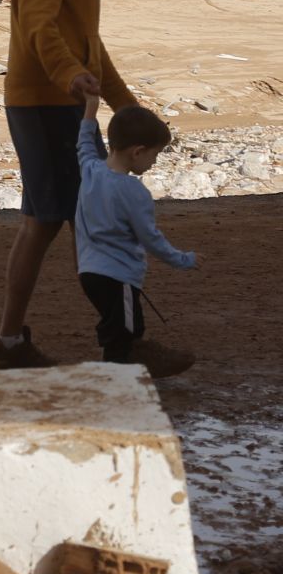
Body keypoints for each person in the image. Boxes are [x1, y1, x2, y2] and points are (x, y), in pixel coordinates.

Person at [0, 0, 151, 369]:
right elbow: (40, 24)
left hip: (61, 102)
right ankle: (123, 345)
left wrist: (127, 106)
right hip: (47, 103)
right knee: (87, 219)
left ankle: (11, 342)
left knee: (49, 222)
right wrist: (68, 76)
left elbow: (88, 41)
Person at [74, 93, 197, 376]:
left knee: (121, 325)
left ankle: (127, 369)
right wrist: (182, 259)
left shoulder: (90, 170)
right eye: (155, 154)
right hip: (118, 275)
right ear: (138, 152)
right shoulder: (134, 191)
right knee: (124, 332)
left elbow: (84, 146)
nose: (154, 162)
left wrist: (90, 111)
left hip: (89, 272)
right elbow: (150, 238)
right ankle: (119, 378)